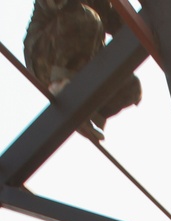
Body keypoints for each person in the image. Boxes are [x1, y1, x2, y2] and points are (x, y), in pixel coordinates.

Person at [24, 0, 142, 138]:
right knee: (90, 19)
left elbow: (123, 26)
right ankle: (61, 84)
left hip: (79, 66)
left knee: (131, 87)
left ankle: (87, 110)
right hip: (44, 56)